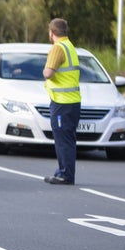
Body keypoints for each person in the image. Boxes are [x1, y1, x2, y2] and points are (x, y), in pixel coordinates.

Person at [43, 18, 80, 185]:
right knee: (68, 139)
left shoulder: (57, 48)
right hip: (72, 102)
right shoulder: (70, 46)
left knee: (63, 140)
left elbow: (49, 73)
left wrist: (44, 70)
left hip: (62, 103)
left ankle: (65, 174)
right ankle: (64, 171)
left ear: (52, 33)